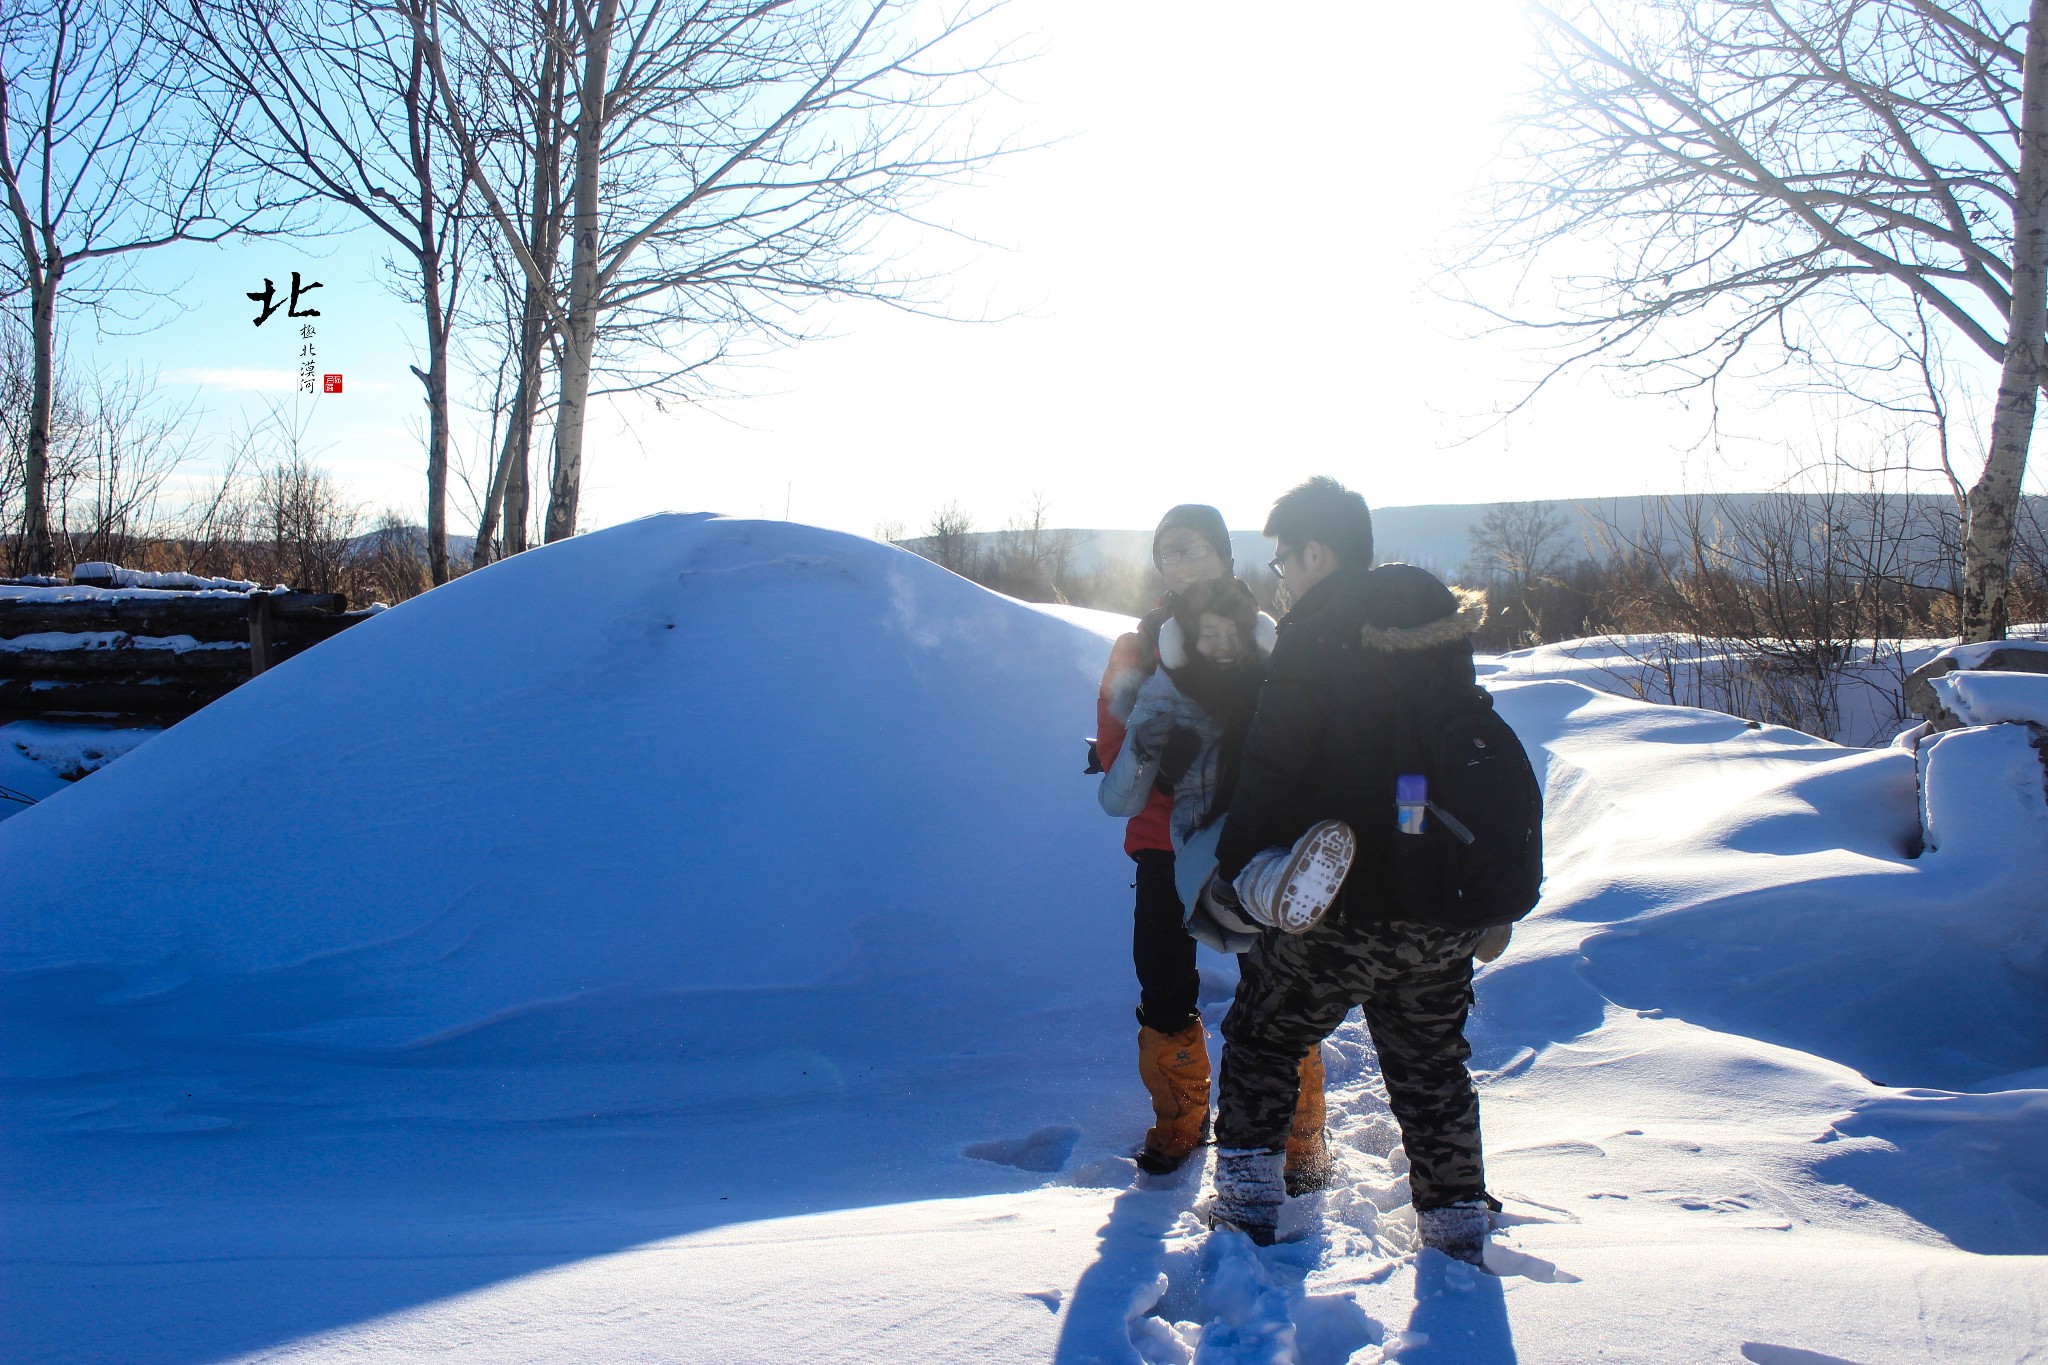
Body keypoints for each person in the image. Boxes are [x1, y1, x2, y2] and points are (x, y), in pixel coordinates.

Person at [1203, 475, 1498, 1263]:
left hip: (1342, 897)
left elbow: (1275, 761)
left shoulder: (1318, 631)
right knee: (1432, 1066)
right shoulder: (1438, 623)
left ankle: (1244, 1212)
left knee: (1263, 1039)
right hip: (1441, 893)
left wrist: (1236, 868)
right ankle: (1459, 1230)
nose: (1283, 581)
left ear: (1316, 551)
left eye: (1284, 563)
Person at [1092, 507, 1329, 1185]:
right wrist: (1163, 756)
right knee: (1164, 981)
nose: (1179, 563)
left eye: (1192, 549)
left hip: (1253, 832)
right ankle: (1181, 1117)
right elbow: (1114, 750)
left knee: (1274, 980)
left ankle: (1295, 1125)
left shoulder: (1274, 641)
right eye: (1166, 552)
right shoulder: (1137, 647)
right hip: (1163, 839)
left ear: (1225, 557)